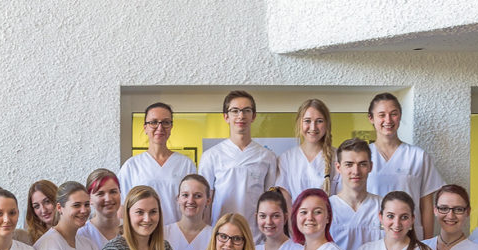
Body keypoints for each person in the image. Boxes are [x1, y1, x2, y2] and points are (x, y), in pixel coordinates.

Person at [198, 90, 278, 241]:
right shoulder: (211, 156)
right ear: (226, 117)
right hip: (220, 238)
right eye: (235, 111)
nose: (241, 116)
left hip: (255, 238)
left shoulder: (267, 157)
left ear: (253, 116)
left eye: (246, 111)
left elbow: (269, 201)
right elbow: (205, 203)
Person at [366, 93, 445, 239]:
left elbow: (426, 206)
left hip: (411, 236)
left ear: (400, 116)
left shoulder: (417, 156)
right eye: (381, 115)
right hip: (373, 235)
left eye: (393, 114)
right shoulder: (363, 156)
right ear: (371, 118)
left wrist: (427, 244)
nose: (388, 120)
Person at [119, 102, 196, 225]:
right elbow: (123, 207)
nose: (160, 128)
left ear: (171, 127)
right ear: (145, 127)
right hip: (143, 235)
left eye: (165, 122)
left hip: (177, 234)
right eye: (153, 122)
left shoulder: (185, 164)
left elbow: (194, 204)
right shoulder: (132, 166)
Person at [329, 138, 383, 250]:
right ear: (338, 168)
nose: (356, 171)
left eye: (362, 164)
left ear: (370, 167)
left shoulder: (382, 206)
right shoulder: (328, 208)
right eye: (349, 165)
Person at [276, 98, 339, 200]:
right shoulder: (287, 158)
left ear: (327, 124)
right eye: (307, 121)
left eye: (319, 121)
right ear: (299, 123)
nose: (313, 127)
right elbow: (285, 199)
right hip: (295, 216)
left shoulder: (338, 156)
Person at [79, 168, 123, 250]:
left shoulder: (132, 229)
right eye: (100, 193)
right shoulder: (81, 235)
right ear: (89, 198)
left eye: (113, 192)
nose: (108, 199)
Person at [25, 179, 58, 244]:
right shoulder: (30, 238)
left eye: (47, 202)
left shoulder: (76, 229)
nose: (43, 210)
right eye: (37, 206)